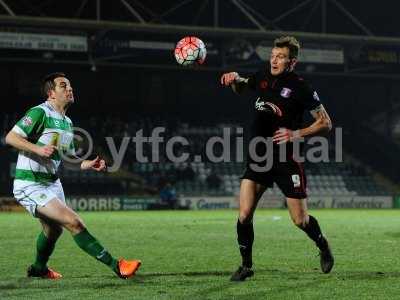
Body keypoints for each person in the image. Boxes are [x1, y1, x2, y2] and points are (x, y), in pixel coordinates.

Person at [5, 72, 141, 279]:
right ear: (51, 93)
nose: (70, 89)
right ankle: (117, 266)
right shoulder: (39, 113)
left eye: (69, 86)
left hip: (52, 183)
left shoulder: (67, 122)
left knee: (53, 231)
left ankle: (39, 269)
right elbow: (11, 137)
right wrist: (37, 149)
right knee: (74, 222)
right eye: (63, 86)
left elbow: (65, 158)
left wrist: (87, 164)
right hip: (30, 184)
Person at [220, 36, 334, 281]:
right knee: (244, 214)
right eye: (272, 55)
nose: (274, 60)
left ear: (291, 62)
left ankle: (323, 245)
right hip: (259, 156)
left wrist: (296, 133)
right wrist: (234, 79)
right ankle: (246, 266)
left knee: (300, 220)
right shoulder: (262, 75)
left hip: (285, 159)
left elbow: (325, 123)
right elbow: (242, 86)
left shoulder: (302, 87)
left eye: (280, 57)